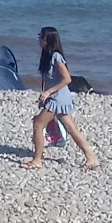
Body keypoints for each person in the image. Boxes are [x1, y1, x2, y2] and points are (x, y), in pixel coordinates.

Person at [24, 27, 98, 171]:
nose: (39, 39)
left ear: (48, 39)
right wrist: (44, 94)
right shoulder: (47, 55)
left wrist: (49, 93)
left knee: (38, 124)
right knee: (71, 128)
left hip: (59, 98)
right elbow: (47, 79)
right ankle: (91, 158)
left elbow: (67, 79)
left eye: (41, 37)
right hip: (54, 96)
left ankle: (37, 160)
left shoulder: (56, 56)